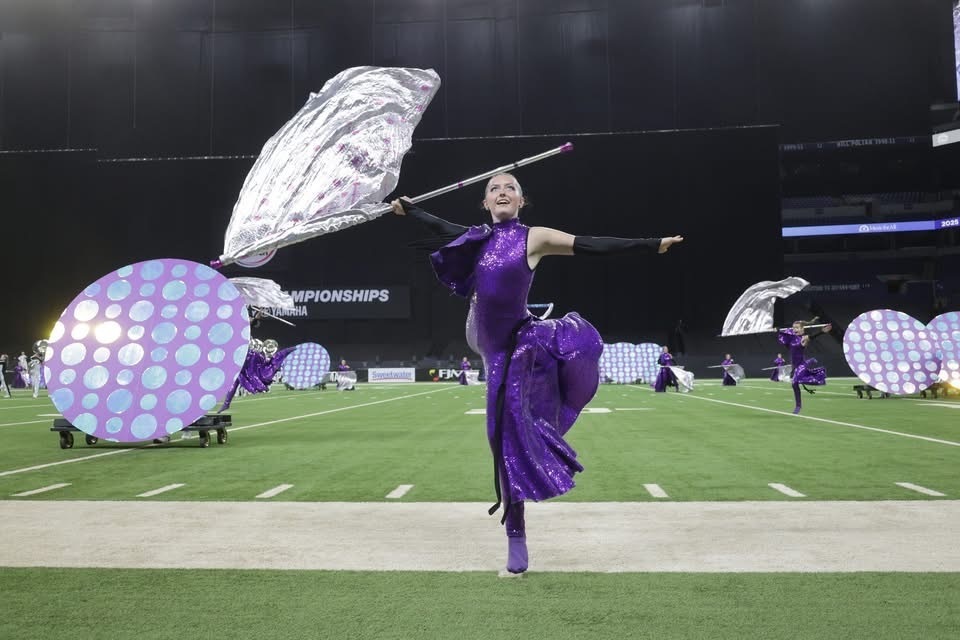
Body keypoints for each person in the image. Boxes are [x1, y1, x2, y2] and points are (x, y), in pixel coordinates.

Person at [390, 173, 683, 576]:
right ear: (486, 203)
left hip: (523, 344)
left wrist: (651, 244)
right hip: (492, 353)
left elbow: (590, 245)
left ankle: (516, 536)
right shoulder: (476, 238)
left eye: (510, 187)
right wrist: (411, 210)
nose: (502, 191)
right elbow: (441, 228)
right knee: (497, 437)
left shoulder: (534, 238)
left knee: (510, 434)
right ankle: (517, 525)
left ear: (522, 200)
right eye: (494, 188)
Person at [778, 320, 831, 414]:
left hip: (801, 365)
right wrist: (778, 330)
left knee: (795, 382)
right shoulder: (791, 340)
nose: (795, 329)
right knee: (794, 384)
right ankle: (798, 405)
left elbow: (811, 337)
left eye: (797, 328)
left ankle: (798, 406)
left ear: (802, 329)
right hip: (795, 365)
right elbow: (785, 339)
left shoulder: (803, 338)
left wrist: (821, 332)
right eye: (794, 328)